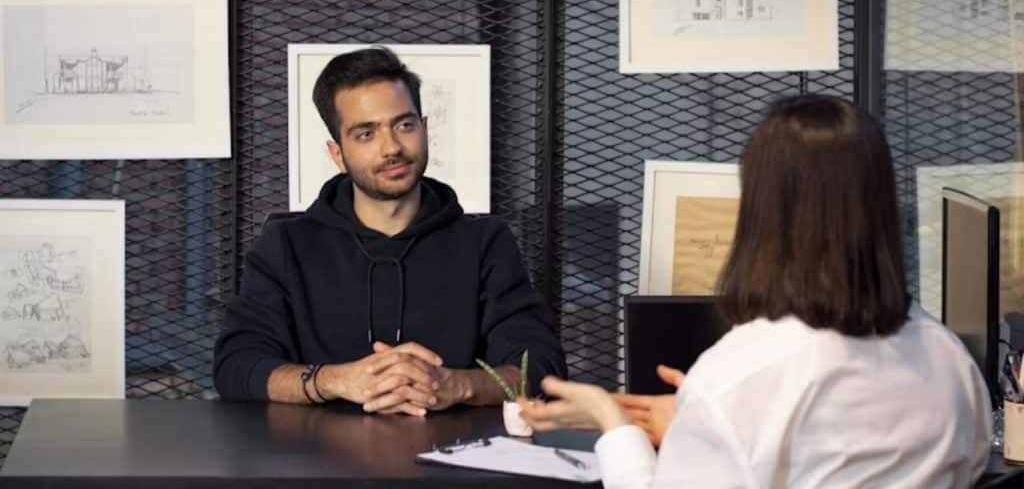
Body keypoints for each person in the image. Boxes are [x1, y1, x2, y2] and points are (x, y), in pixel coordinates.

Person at [519, 94, 992, 488]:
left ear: (762, 212)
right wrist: (707, 417)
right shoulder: (950, 360)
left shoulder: (741, 374)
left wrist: (613, 423)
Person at [214, 47, 566, 415]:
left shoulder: (486, 242)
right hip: (316, 449)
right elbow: (236, 366)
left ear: (424, 129)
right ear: (337, 153)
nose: (392, 148)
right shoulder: (286, 245)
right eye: (366, 134)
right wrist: (335, 380)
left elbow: (541, 369)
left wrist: (453, 385)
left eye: (404, 126)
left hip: (459, 448)